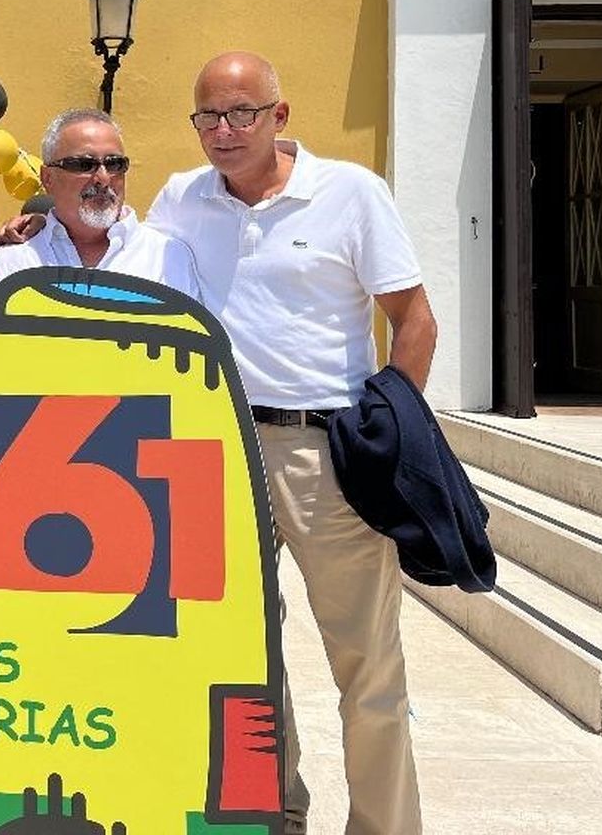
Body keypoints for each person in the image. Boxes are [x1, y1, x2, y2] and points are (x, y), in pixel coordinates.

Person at [144, 51, 437, 835]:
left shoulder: (350, 194)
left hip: (325, 453)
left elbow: (412, 318)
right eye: (208, 116)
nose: (224, 131)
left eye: (242, 113)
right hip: (220, 450)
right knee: (246, 658)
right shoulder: (180, 199)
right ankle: (277, 812)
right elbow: (128, 266)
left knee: (366, 665)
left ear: (281, 115)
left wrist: (395, 429)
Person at [0, 107, 201, 301]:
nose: (103, 178)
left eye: (114, 164)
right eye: (84, 164)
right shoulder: (10, 265)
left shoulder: (169, 258)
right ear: (47, 178)